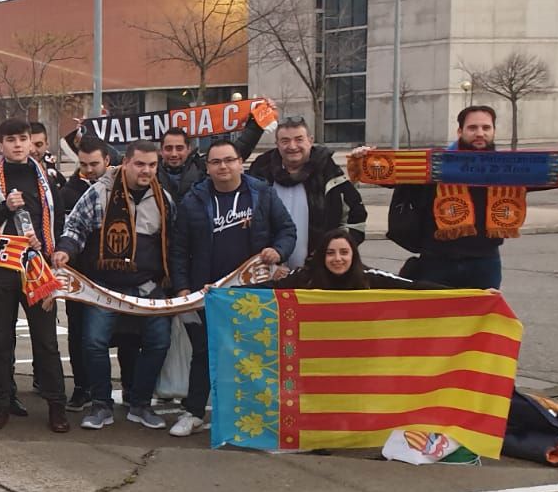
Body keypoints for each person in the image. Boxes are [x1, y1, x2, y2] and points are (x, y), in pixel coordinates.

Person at [168, 137, 297, 437]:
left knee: (252, 354)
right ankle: (194, 412)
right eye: (215, 162)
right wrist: (182, 287)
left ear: (240, 162)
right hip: (209, 293)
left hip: (253, 292)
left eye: (228, 160)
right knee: (203, 352)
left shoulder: (262, 194)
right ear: (208, 167)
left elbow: (287, 231)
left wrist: (278, 251)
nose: (223, 166)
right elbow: (178, 249)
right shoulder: (193, 200)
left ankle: (257, 415)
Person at [53, 141, 175, 430]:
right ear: (126, 163)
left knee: (159, 342)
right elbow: (76, 227)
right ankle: (100, 405)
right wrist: (65, 250)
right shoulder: (99, 192)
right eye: (140, 164)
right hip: (104, 286)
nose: (146, 171)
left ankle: (141, 404)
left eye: (152, 165)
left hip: (148, 286)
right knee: (93, 344)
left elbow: (173, 243)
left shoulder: (163, 199)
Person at [0, 118, 70, 434]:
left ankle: (56, 406)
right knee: (0, 340)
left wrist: (50, 245)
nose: (17, 144)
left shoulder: (46, 180)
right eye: (10, 139)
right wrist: (2, 207)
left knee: (46, 341)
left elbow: (59, 220)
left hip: (36, 268)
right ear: (0, 145)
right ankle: (1, 404)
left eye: (22, 139)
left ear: (31, 142)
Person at [370, 106, 511, 289]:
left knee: (483, 316)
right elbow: (391, 176)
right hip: (437, 261)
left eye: (486, 128)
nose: (479, 133)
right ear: (460, 131)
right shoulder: (434, 163)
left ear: (494, 131)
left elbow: (548, 176)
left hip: (484, 262)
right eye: (472, 128)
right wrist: (366, 159)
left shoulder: (508, 168)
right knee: (434, 316)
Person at [240, 116, 367, 267]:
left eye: (299, 139)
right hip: (267, 273)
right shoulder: (259, 175)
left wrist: (332, 253)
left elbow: (355, 218)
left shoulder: (330, 174)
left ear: (310, 140)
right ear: (277, 144)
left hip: (318, 273)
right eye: (285, 141)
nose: (292, 146)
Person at [55, 137, 111, 411]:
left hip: (110, 274)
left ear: (107, 161)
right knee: (77, 333)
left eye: (94, 164)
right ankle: (81, 387)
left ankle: (128, 387)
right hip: (78, 276)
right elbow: (66, 231)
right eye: (83, 164)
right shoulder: (68, 192)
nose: (89, 169)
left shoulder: (118, 189)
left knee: (121, 334)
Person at [259, 228, 445, 291]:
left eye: (344, 252)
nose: (337, 258)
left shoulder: (369, 277)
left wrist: (466, 295)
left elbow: (413, 287)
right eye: (330, 253)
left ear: (353, 255)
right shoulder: (304, 277)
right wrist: (230, 294)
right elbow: (269, 290)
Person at [156, 127, 205, 204]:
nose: (174, 154)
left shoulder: (203, 173)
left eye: (179, 148)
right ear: (161, 151)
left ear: (189, 149)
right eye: (168, 149)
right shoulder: (151, 176)